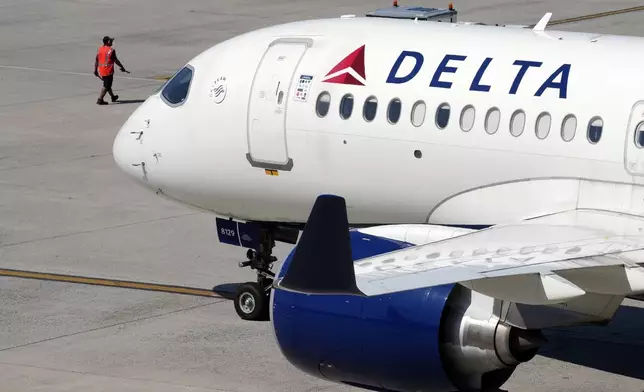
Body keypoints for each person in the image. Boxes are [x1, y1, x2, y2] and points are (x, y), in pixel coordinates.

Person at [94, 36, 128, 105]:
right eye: (111, 41)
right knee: (106, 86)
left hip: (101, 70)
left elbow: (97, 60)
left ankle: (113, 97)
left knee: (107, 84)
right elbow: (115, 60)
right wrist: (122, 67)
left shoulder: (100, 49)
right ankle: (100, 99)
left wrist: (95, 70)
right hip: (108, 71)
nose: (112, 42)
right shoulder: (111, 50)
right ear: (108, 42)